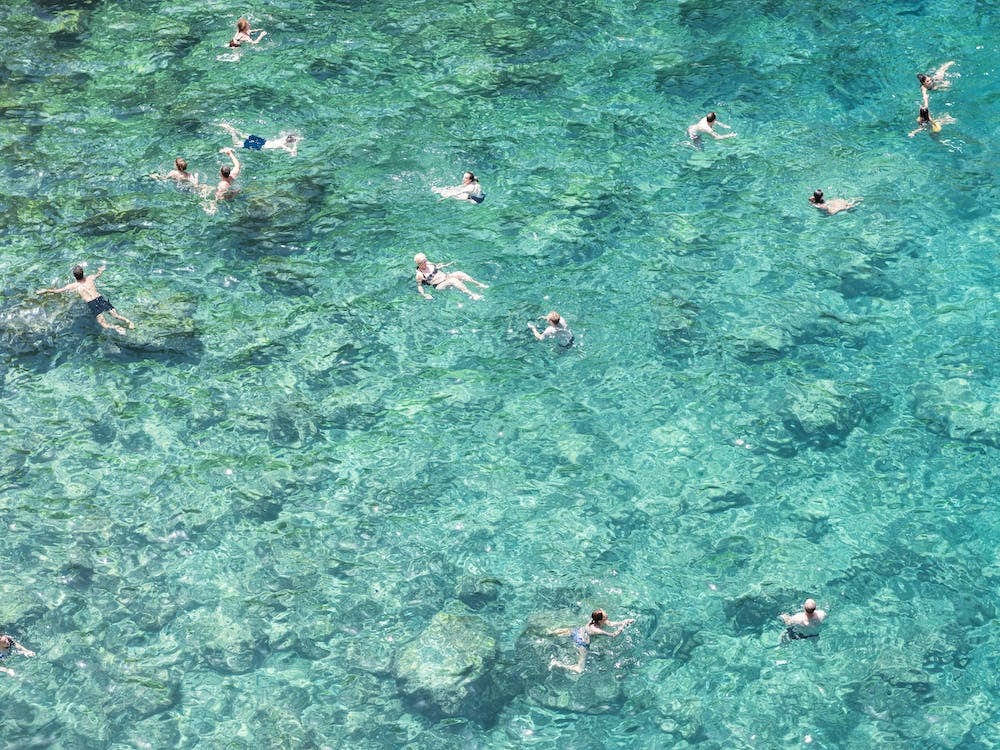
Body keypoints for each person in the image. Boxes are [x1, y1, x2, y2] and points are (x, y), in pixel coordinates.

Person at [36, 264, 135, 335]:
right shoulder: (90, 278)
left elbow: (57, 291)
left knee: (103, 324)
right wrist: (102, 269)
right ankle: (129, 322)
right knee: (116, 315)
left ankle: (116, 327)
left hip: (92, 304)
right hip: (100, 298)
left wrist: (45, 291)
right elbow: (98, 274)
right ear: (83, 273)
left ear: (74, 276)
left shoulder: (73, 285)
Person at [548, 609, 635, 674]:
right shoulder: (596, 630)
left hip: (577, 631)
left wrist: (625, 621)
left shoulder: (596, 620)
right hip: (582, 643)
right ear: (601, 620)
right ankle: (557, 663)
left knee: (558, 633)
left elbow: (611, 624)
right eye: (605, 615)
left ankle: (551, 632)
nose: (607, 614)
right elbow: (613, 635)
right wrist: (622, 626)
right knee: (580, 669)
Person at [414, 253, 488, 301]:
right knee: (453, 280)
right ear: (419, 264)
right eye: (424, 262)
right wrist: (424, 295)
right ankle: (472, 294)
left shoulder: (428, 263)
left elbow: (436, 266)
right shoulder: (419, 275)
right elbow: (419, 286)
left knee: (459, 273)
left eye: (425, 260)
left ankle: (478, 284)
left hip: (446, 277)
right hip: (439, 285)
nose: (426, 262)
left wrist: (445, 265)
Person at [218, 123, 300, 156]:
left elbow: (291, 138)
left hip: (263, 141)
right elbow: (292, 152)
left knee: (243, 135)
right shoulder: (282, 145)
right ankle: (231, 131)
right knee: (237, 144)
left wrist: (295, 142)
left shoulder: (283, 139)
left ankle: (232, 128)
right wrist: (294, 148)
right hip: (260, 145)